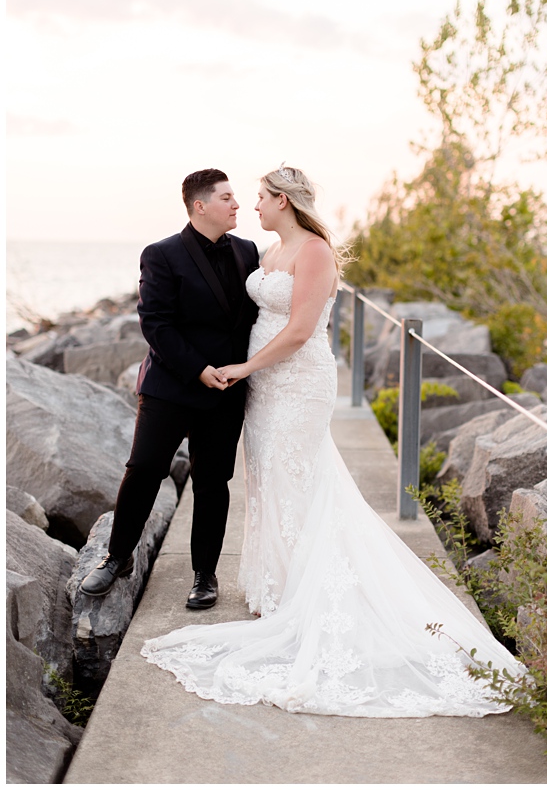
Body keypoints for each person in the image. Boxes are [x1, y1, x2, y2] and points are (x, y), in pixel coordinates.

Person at [138, 166, 523, 717]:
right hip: (265, 385)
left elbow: (299, 330)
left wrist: (242, 366)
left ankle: (309, 593)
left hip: (296, 380)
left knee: (300, 477)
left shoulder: (314, 252)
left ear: (285, 203)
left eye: (261, 199)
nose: (253, 207)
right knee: (267, 476)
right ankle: (279, 583)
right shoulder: (264, 253)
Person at [79, 169, 259, 610]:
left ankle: (204, 575)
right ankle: (117, 557)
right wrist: (199, 369)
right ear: (200, 206)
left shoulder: (248, 251)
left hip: (227, 389)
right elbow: (155, 324)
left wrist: (243, 371)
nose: (237, 204)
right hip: (170, 386)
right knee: (143, 469)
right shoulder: (160, 254)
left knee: (214, 483)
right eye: (227, 197)